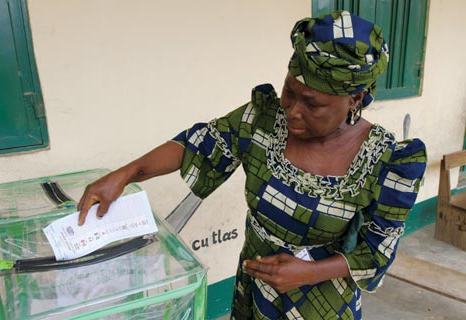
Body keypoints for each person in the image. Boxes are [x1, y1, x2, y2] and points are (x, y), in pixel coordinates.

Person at [77, 11, 427, 319]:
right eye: (289, 91)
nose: (292, 111)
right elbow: (197, 145)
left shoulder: (386, 160)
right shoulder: (262, 120)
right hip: (253, 290)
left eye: (312, 104)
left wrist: (308, 272)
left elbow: (376, 253)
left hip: (320, 302)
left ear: (355, 99)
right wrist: (124, 175)